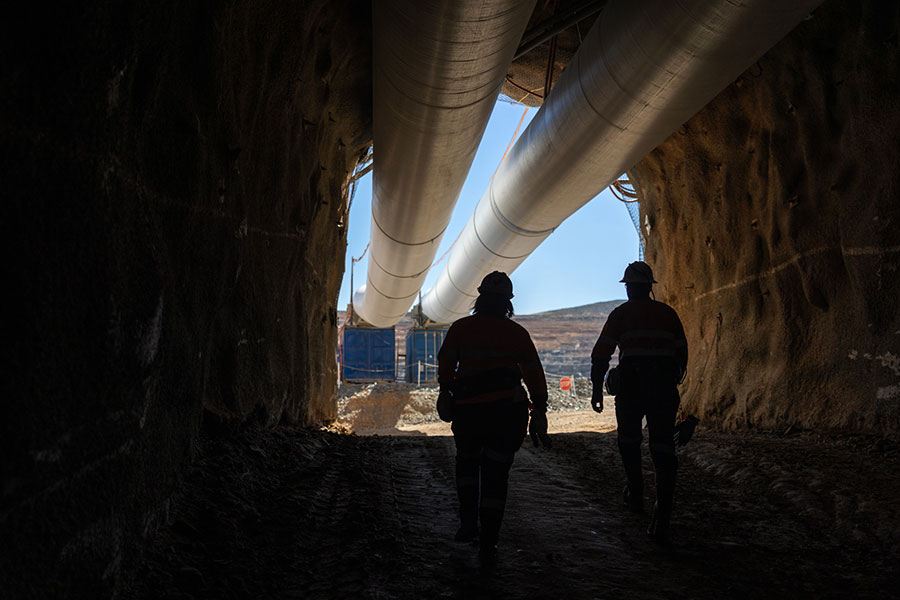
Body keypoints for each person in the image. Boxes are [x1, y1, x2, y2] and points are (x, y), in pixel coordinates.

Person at [437, 271, 550, 564]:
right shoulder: (517, 334)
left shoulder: (461, 328)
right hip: (505, 415)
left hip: (469, 412)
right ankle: (490, 541)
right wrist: (540, 408)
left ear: (480, 299)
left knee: (467, 465)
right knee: (496, 475)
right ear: (507, 303)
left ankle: (468, 524)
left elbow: (446, 363)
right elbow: (534, 373)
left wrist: (445, 391)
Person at [590, 261, 688, 543]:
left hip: (631, 387)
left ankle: (635, 492)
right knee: (662, 446)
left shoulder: (621, 314)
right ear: (650, 287)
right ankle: (663, 507)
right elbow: (681, 355)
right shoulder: (667, 314)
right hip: (662, 387)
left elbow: (601, 354)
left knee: (629, 441)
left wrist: (598, 390)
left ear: (629, 288)